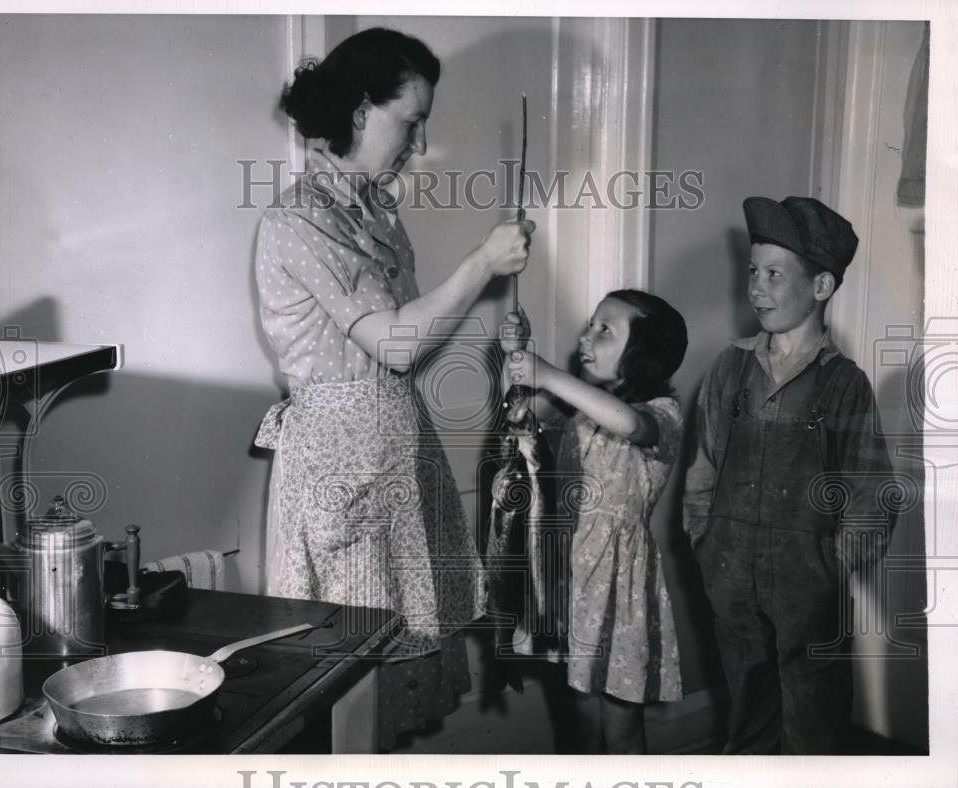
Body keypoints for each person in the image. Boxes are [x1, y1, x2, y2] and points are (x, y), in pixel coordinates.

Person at [252, 27, 535, 750]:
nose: (419, 143)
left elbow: (404, 348)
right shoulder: (299, 219)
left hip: (395, 461)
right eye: (410, 121)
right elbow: (394, 342)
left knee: (380, 684)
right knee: (346, 679)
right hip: (341, 473)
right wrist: (481, 263)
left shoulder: (376, 212)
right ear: (357, 111)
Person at [682, 196, 898, 754]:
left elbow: (872, 494)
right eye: (753, 272)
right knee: (748, 708)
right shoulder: (730, 367)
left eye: (776, 274)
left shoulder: (843, 383)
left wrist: (830, 568)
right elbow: (704, 467)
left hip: (809, 586)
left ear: (821, 287)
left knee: (813, 720)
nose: (757, 288)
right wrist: (706, 541)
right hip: (730, 573)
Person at [501, 289, 688, 753]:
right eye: (590, 324)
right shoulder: (573, 408)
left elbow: (628, 424)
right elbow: (521, 418)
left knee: (621, 721)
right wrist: (518, 359)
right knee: (580, 716)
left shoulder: (662, 415)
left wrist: (550, 374)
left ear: (643, 354)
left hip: (618, 587)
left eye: (606, 330)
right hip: (570, 578)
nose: (587, 335)